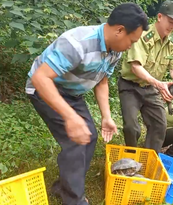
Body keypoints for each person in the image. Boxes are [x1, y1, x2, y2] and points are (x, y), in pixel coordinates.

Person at [25, 3, 148, 205]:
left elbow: (102, 80)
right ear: (119, 30)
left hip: (72, 93)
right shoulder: (77, 43)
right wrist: (70, 117)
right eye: (132, 40)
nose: (131, 46)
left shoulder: (114, 50)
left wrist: (106, 117)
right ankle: (74, 200)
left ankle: (64, 186)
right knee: (75, 140)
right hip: (44, 88)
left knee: (88, 136)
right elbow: (40, 79)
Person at [118, 0, 173, 153]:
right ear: (160, 17)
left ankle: (149, 159)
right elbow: (136, 67)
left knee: (159, 126)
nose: (172, 26)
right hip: (131, 86)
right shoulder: (142, 35)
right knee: (131, 127)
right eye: (170, 21)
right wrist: (158, 84)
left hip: (151, 89)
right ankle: (131, 158)